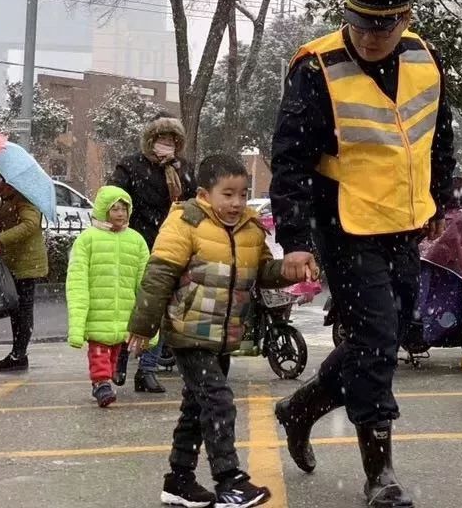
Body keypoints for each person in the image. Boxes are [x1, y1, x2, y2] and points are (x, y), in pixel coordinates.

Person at [269, 0, 456, 508]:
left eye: (384, 25)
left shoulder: (424, 58)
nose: (372, 35)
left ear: (405, 20)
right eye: (361, 23)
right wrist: (296, 238)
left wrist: (440, 200)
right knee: (374, 340)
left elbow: (439, 134)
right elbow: (291, 158)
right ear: (346, 16)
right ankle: (381, 476)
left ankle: (301, 409)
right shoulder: (315, 67)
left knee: (384, 338)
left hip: (404, 220)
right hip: (344, 223)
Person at [127, 154, 298, 508]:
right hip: (188, 332)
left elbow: (262, 271)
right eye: (228, 194)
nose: (236, 203)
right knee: (219, 402)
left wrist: (289, 271)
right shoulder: (185, 222)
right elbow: (158, 275)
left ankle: (179, 481)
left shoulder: (251, 229)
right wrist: (142, 327)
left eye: (242, 194)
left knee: (197, 406)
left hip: (223, 335)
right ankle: (229, 480)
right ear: (205, 194)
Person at [109, 114, 196, 393]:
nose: (166, 144)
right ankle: (120, 359)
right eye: (161, 138)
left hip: (171, 246)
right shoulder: (131, 165)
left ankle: (147, 369)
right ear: (150, 140)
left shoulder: (183, 169)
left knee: (158, 309)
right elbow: (113, 198)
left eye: (172, 139)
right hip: (135, 244)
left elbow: (195, 202)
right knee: (130, 306)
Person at [65, 186, 150, 407]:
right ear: (104, 210)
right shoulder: (87, 240)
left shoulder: (137, 241)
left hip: (124, 313)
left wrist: (149, 322)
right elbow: (77, 282)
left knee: (114, 353)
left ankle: (106, 379)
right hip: (97, 312)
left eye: (124, 209)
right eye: (114, 209)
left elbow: (145, 283)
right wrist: (77, 325)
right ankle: (100, 384)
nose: (120, 214)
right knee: (99, 351)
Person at [0, 163, 48, 373]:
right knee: (16, 309)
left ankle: (19, 354)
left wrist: (0, 240)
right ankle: (17, 353)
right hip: (15, 263)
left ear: (4, 178)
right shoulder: (9, 197)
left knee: (23, 310)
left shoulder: (24, 197)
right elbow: (9, 219)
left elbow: (29, 224)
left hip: (27, 264)